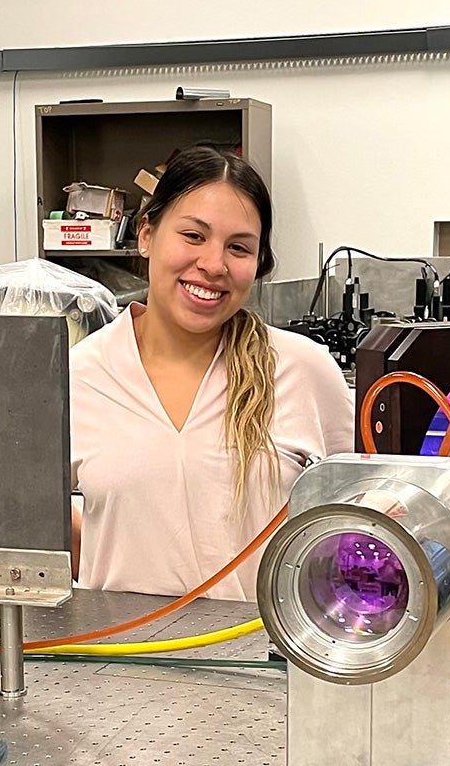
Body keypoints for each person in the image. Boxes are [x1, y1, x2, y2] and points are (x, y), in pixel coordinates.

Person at [69, 146, 353, 601]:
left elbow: (348, 530)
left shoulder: (304, 370)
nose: (214, 265)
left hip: (263, 661)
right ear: (146, 234)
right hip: (115, 661)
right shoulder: (80, 375)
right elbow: (28, 520)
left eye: (238, 247)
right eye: (194, 236)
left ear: (257, 264)